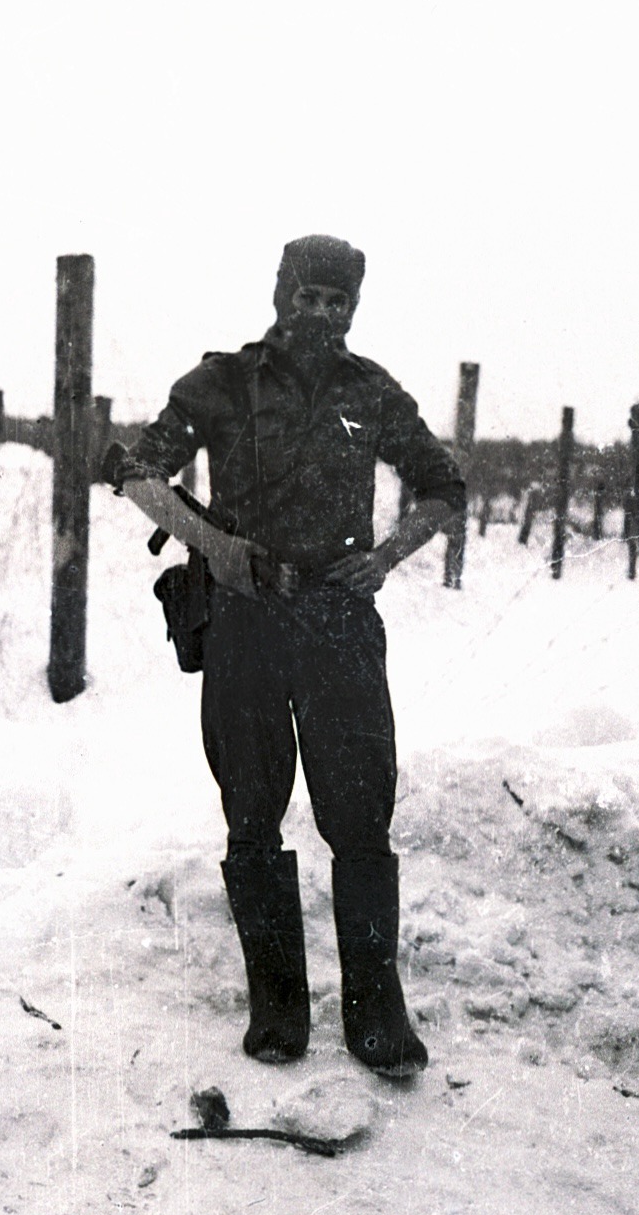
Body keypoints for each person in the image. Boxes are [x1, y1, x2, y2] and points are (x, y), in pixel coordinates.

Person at [112, 236, 466, 1077]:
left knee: (360, 816)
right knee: (251, 811)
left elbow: (443, 485)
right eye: (308, 297)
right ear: (281, 296)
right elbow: (133, 470)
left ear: (353, 307)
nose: (322, 313)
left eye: (337, 301)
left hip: (339, 623)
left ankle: (375, 1016)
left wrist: (383, 558)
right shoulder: (224, 383)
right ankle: (277, 1013)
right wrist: (215, 548)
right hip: (246, 622)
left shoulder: (370, 391)